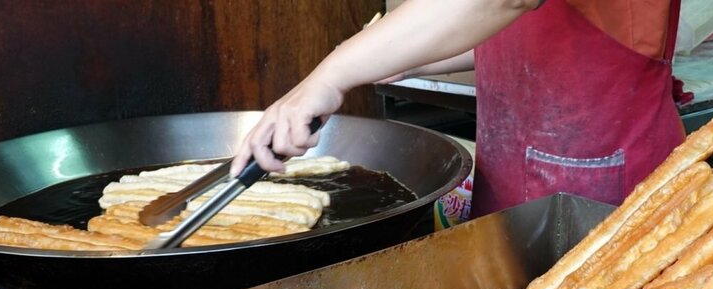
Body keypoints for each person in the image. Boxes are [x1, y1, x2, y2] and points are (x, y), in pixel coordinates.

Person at [231, 0, 685, 218]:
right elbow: (518, 29)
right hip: (513, 188)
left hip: (607, 193)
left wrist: (332, 74)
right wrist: (398, 54)